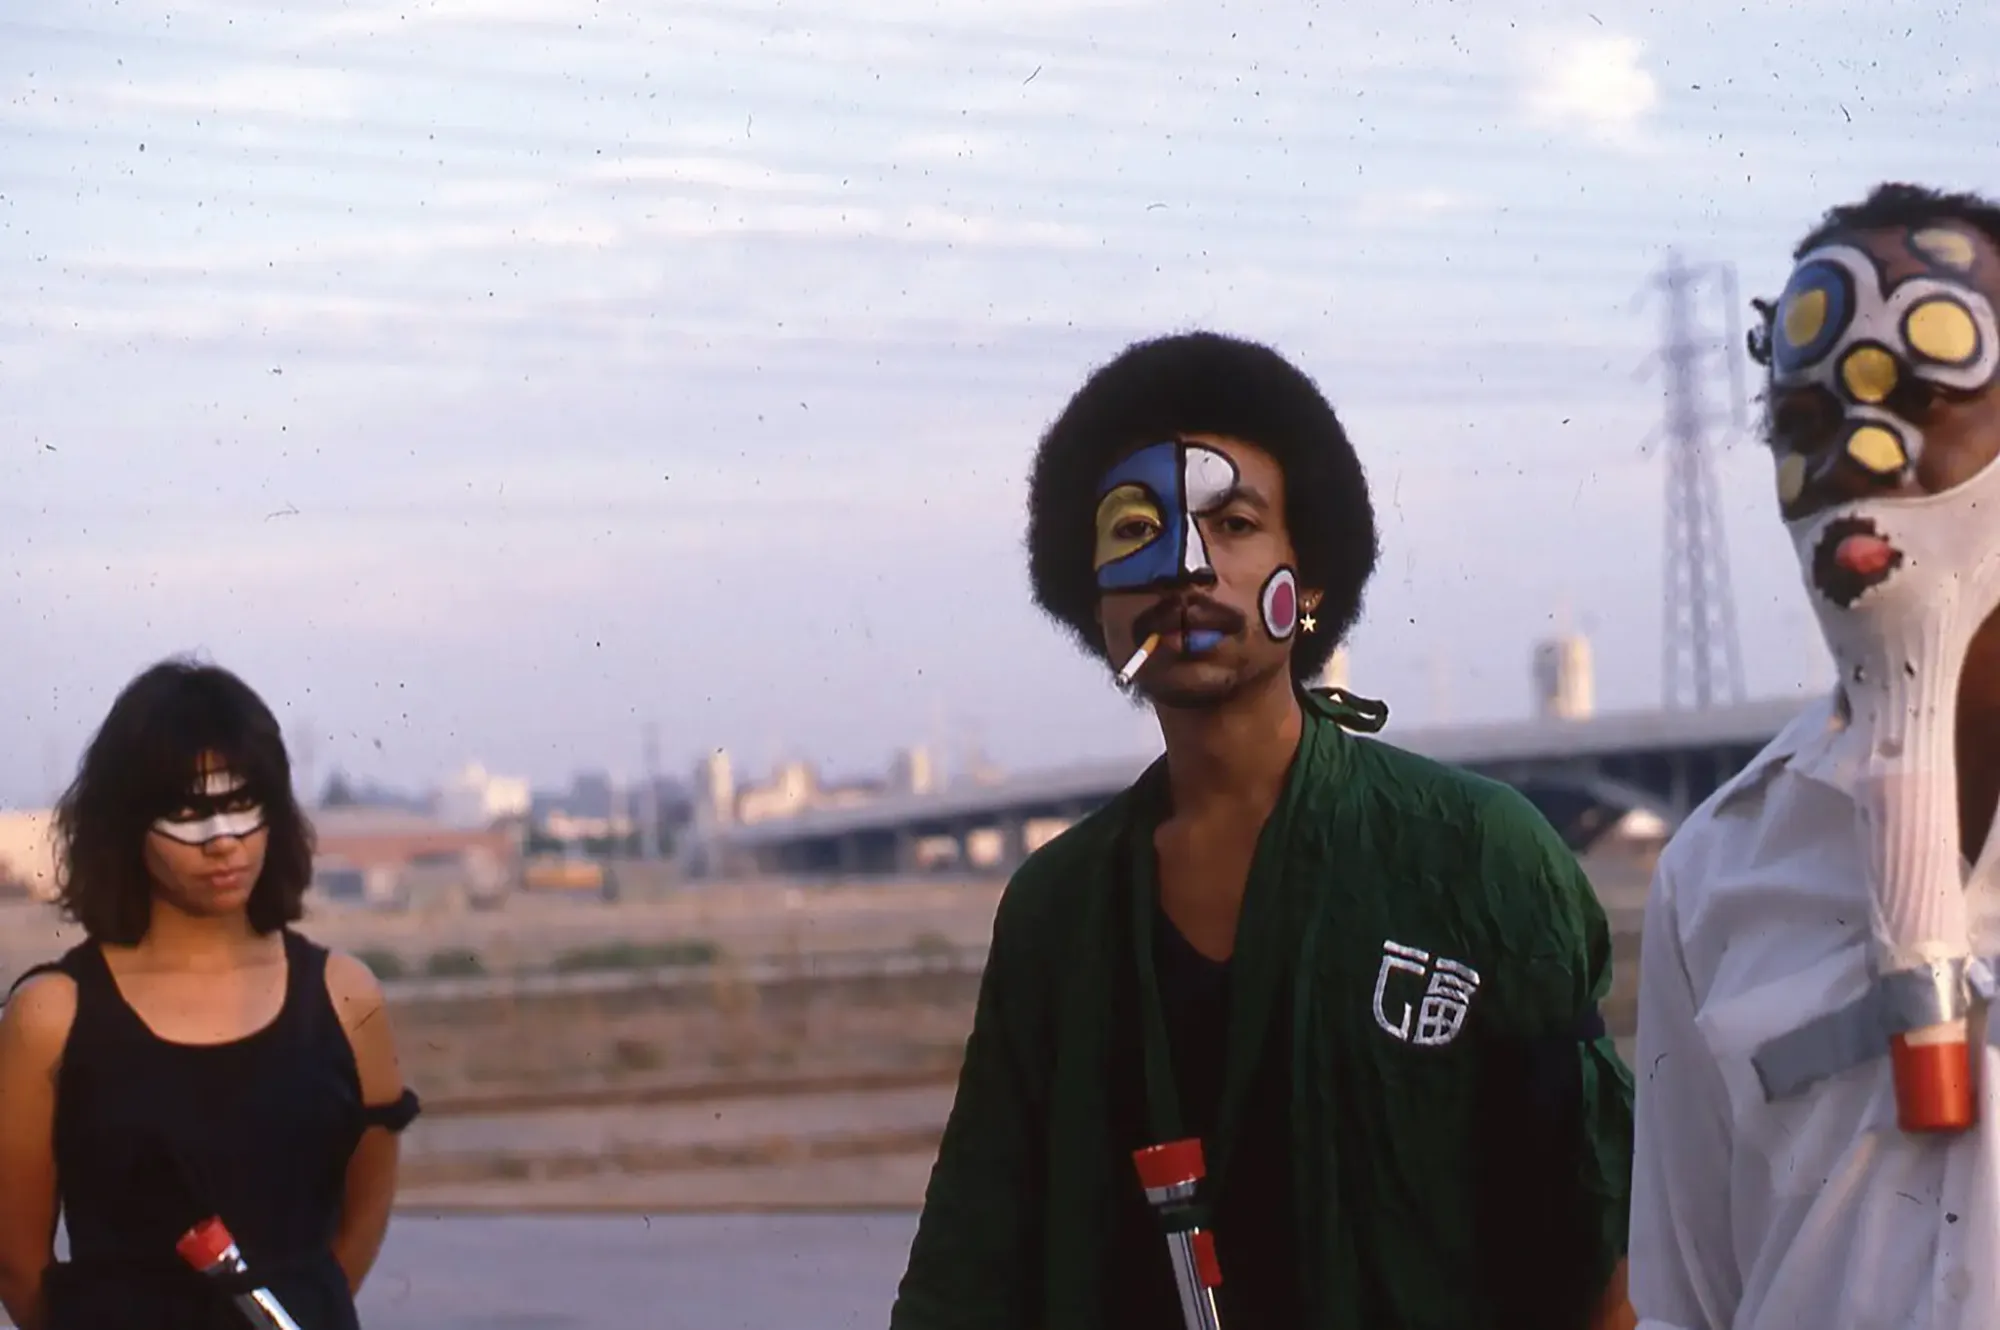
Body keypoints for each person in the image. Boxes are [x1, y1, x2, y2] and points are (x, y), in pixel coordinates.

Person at [889, 332, 1636, 1329]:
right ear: (1097, 606)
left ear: (1311, 578)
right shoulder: (1055, 909)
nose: (1185, 567)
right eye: (1134, 530)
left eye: (1232, 522)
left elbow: (1601, 1245)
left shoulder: (1474, 853)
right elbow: (969, 1259)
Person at [1627, 182, 2000, 1330]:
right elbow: (1686, 1293)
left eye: (1924, 396)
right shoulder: (1716, 873)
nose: (1851, 455)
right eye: (1798, 424)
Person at [0, 659, 421, 1330]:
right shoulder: (50, 1016)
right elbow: (19, 1266)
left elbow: (361, 1217)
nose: (222, 840)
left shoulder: (346, 996)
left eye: (242, 802)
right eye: (187, 812)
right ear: (122, 825)